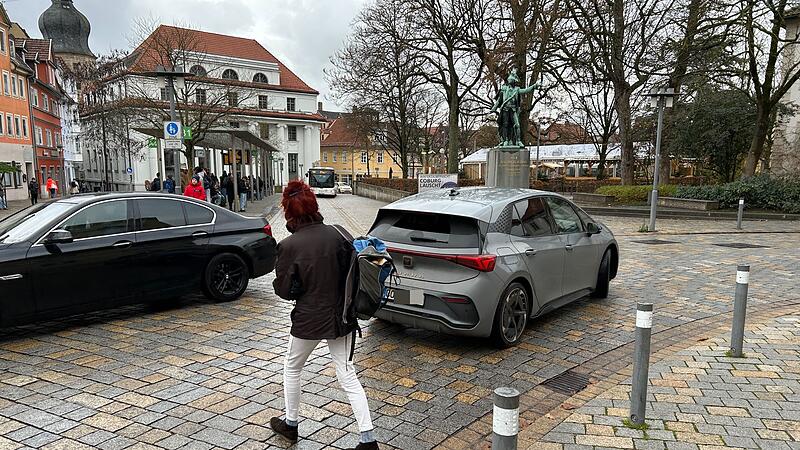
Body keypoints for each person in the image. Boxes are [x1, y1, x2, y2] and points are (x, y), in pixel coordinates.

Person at [270, 180, 378, 450]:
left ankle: (291, 425)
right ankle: (368, 439)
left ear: (289, 212)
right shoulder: (340, 234)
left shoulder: (289, 246)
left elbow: (284, 291)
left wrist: (295, 285)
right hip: (341, 318)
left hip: (308, 319)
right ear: (314, 205)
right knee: (347, 374)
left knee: (292, 368)